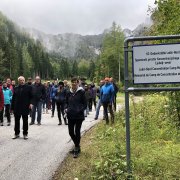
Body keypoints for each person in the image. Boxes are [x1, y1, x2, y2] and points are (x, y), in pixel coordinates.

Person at [66, 77, 87, 158]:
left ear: (78, 83)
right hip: (70, 115)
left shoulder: (81, 92)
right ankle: (77, 146)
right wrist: (66, 108)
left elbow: (85, 104)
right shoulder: (69, 92)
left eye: (75, 82)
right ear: (71, 83)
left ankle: (76, 149)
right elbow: (66, 102)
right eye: (72, 82)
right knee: (71, 132)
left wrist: (79, 110)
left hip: (78, 116)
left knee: (77, 131)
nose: (74, 83)